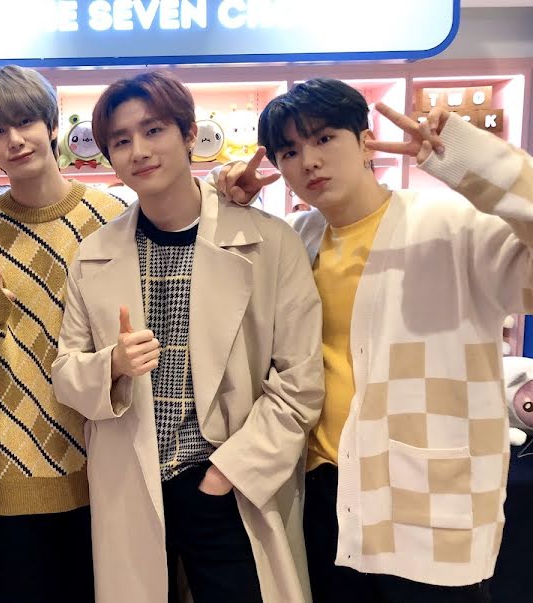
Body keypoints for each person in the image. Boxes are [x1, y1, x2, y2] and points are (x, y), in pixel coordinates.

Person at [236, 77, 525, 602]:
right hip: (327, 493)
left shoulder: (454, 227)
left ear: (365, 140)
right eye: (290, 151)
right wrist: (227, 206)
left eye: (324, 138)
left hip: (429, 501)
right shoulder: (298, 238)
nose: (309, 162)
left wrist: (471, 161)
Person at [51, 70, 325, 603]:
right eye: (121, 141)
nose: (139, 151)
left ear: (189, 133)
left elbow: (300, 381)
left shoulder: (269, 243)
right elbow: (67, 372)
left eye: (153, 130)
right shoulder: (95, 253)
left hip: (228, 481)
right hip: (134, 483)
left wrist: (226, 474)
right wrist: (112, 365)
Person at [0, 65, 128, 603]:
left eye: (25, 121)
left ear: (51, 124)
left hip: (108, 440)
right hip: (17, 448)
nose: (15, 140)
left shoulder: (113, 217)